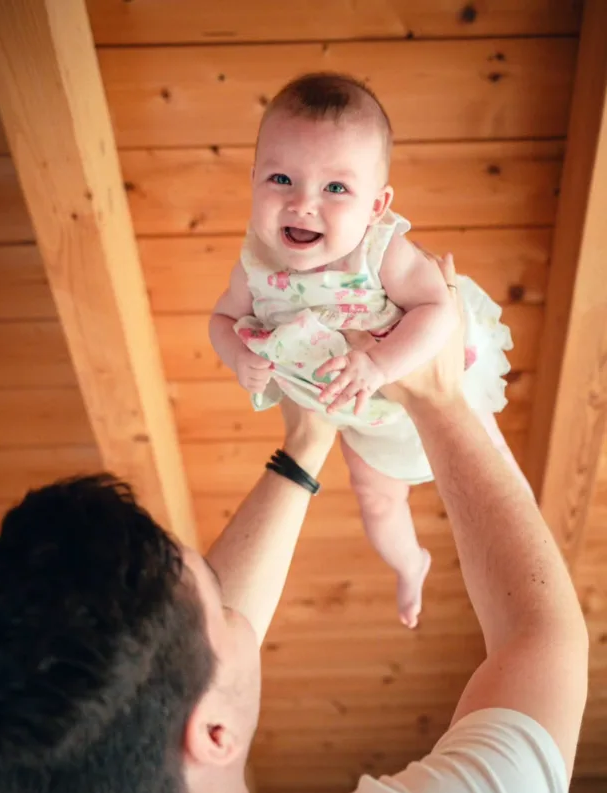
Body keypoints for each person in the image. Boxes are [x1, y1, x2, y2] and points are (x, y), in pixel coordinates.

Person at [0, 254, 588, 793]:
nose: (237, 605)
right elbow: (539, 640)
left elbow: (164, 668)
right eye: (220, 602)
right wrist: (445, 399)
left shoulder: (19, 784)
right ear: (214, 734)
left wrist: (307, 442)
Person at [209, 72, 524, 629]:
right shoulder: (254, 266)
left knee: (491, 469)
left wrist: (378, 362)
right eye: (281, 178)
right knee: (377, 505)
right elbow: (222, 320)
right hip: (363, 423)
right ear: (254, 179)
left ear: (377, 205)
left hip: (435, 386)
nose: (303, 204)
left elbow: (437, 311)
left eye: (335, 188)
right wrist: (238, 357)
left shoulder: (379, 253)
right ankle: (411, 565)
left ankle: (526, 548)